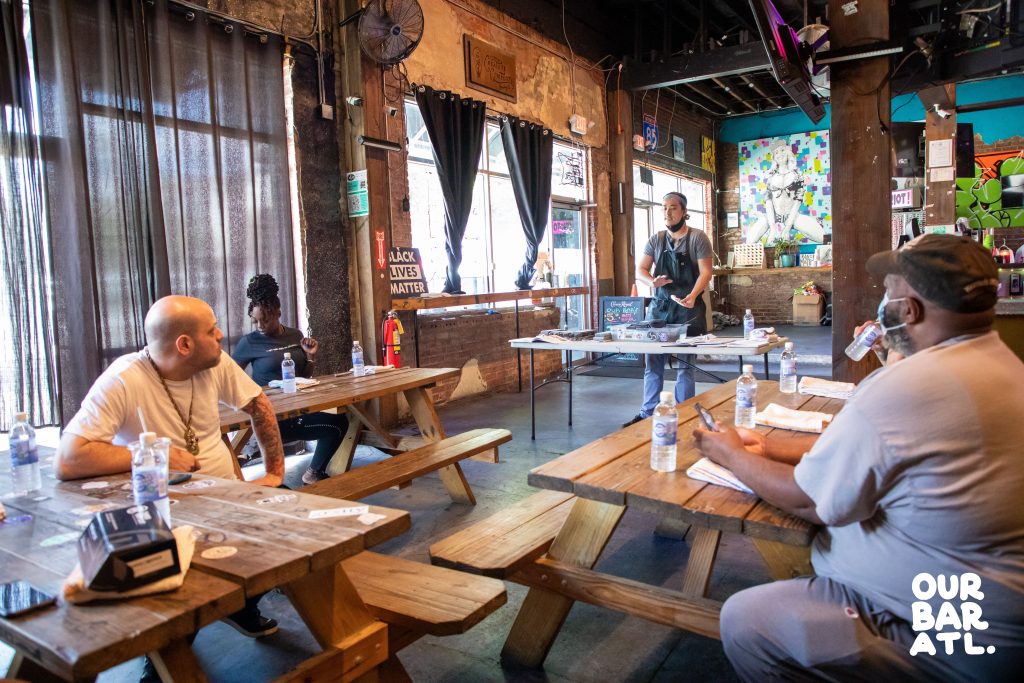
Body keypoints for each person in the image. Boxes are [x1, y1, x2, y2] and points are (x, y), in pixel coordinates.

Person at [693, 234, 1023, 681]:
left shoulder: (911, 385)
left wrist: (729, 453)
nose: (881, 306)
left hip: (943, 636)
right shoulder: (1002, 366)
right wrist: (767, 447)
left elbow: (806, 499)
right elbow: (877, 453)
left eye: (888, 292)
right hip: (985, 616)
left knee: (749, 620)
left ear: (910, 311)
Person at [56, 294, 285, 639]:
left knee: (294, 527)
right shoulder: (124, 378)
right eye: (212, 330)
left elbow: (258, 404)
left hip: (229, 496)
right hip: (167, 508)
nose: (221, 335)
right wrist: (151, 455)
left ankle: (242, 605)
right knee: (172, 583)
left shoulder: (215, 362)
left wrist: (274, 474)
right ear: (184, 344)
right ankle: (166, 653)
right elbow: (68, 458)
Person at [232, 274, 348, 485]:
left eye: (265, 320)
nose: (259, 325)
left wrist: (310, 356)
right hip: (271, 417)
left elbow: (303, 378)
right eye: (255, 320)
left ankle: (314, 472)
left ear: (278, 313)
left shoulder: (295, 336)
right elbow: (229, 377)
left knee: (339, 422)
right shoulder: (248, 343)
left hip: (297, 410)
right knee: (336, 425)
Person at [623, 192, 713, 427]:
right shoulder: (656, 239)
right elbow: (640, 270)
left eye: (673, 208)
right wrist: (651, 281)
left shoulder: (697, 238)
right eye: (664, 208)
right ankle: (647, 413)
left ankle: (684, 414)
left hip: (688, 308)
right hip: (659, 309)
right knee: (653, 363)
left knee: (686, 365)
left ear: (684, 211)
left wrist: (693, 296)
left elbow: (706, 272)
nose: (668, 212)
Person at [745, 143, 826, 244]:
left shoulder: (797, 176)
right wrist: (772, 228)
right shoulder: (771, 178)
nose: (780, 154)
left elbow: (797, 203)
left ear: (788, 153)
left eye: (783, 150)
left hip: (792, 216)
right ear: (774, 157)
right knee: (750, 240)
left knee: (822, 237)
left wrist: (787, 228)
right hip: (774, 216)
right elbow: (769, 204)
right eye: (777, 152)